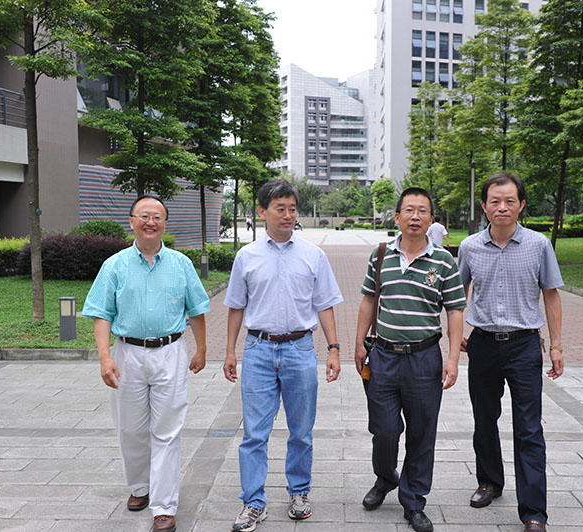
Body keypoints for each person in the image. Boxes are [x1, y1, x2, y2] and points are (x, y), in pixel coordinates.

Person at [82, 195, 210, 532]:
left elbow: (196, 309)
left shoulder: (181, 263)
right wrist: (105, 355)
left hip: (170, 351)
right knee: (130, 428)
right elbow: (100, 313)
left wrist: (201, 349)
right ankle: (140, 487)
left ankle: (164, 506)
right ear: (132, 221)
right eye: (143, 216)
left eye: (157, 217)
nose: (150, 222)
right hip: (128, 353)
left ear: (165, 223)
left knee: (167, 432)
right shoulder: (115, 265)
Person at [223, 179, 343, 532]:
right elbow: (235, 307)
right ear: (261, 212)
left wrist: (334, 349)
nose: (288, 215)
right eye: (280, 208)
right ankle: (253, 502)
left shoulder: (313, 255)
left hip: (300, 349)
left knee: (301, 431)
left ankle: (299, 493)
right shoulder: (246, 257)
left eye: (292, 208)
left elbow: (325, 305)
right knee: (254, 434)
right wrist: (230, 351)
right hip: (258, 350)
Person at [354, 187, 466, 532]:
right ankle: (386, 477)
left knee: (421, 434)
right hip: (384, 357)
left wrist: (452, 358)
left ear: (432, 219)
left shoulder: (444, 261)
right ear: (398, 217)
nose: (415, 217)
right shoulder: (381, 254)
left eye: (422, 211)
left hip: (424, 360)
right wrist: (358, 342)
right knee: (383, 430)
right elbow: (368, 302)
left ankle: (414, 500)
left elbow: (455, 311)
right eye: (409, 211)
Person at [457, 172, 564, 532]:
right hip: (483, 344)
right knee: (484, 420)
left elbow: (551, 294)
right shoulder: (470, 246)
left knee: (529, 428)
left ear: (521, 205)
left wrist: (557, 345)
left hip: (524, 346)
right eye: (494, 201)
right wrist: (454, 335)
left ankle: (534, 511)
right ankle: (489, 481)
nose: (501, 207)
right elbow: (457, 296)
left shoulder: (538, 244)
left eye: (509, 201)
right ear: (484, 205)